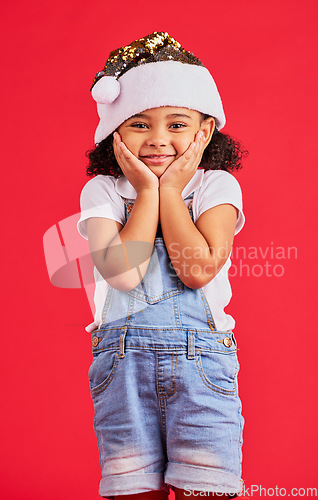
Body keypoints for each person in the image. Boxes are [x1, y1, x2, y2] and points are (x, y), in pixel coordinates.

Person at [77, 31, 248, 500]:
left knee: (207, 491)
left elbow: (196, 270)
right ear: (113, 131)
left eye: (177, 124)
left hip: (203, 369)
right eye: (138, 124)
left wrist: (170, 191)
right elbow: (123, 274)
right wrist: (149, 192)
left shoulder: (215, 188)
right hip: (122, 371)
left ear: (205, 130)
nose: (157, 139)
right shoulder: (105, 193)